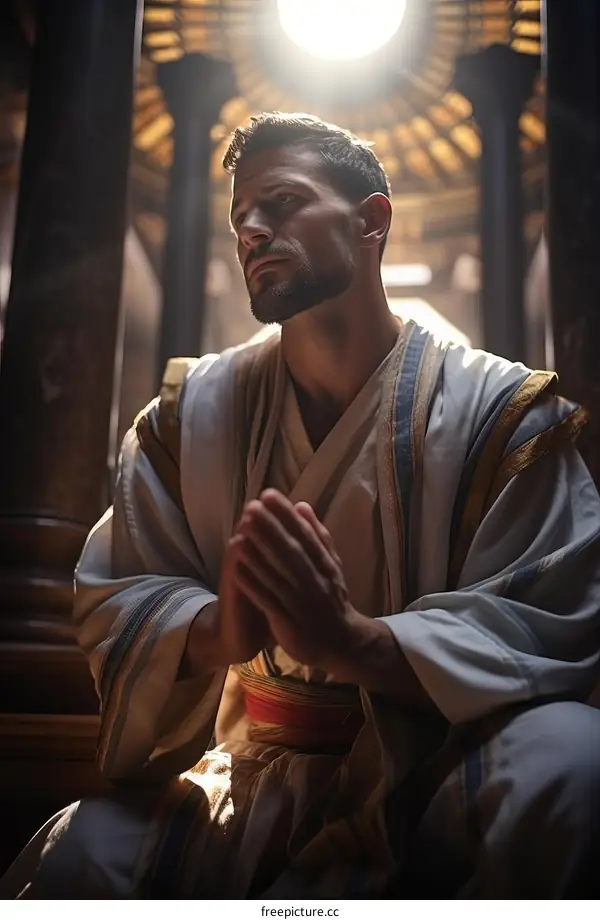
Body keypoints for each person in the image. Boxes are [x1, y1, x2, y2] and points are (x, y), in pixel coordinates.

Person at [2, 113, 600, 899]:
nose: (251, 227)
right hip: (256, 770)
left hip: (440, 760)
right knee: (79, 858)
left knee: (573, 761)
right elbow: (121, 593)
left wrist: (354, 643)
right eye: (240, 214)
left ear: (371, 221)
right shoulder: (193, 415)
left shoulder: (500, 411)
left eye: (281, 201)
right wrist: (220, 626)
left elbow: (545, 619)